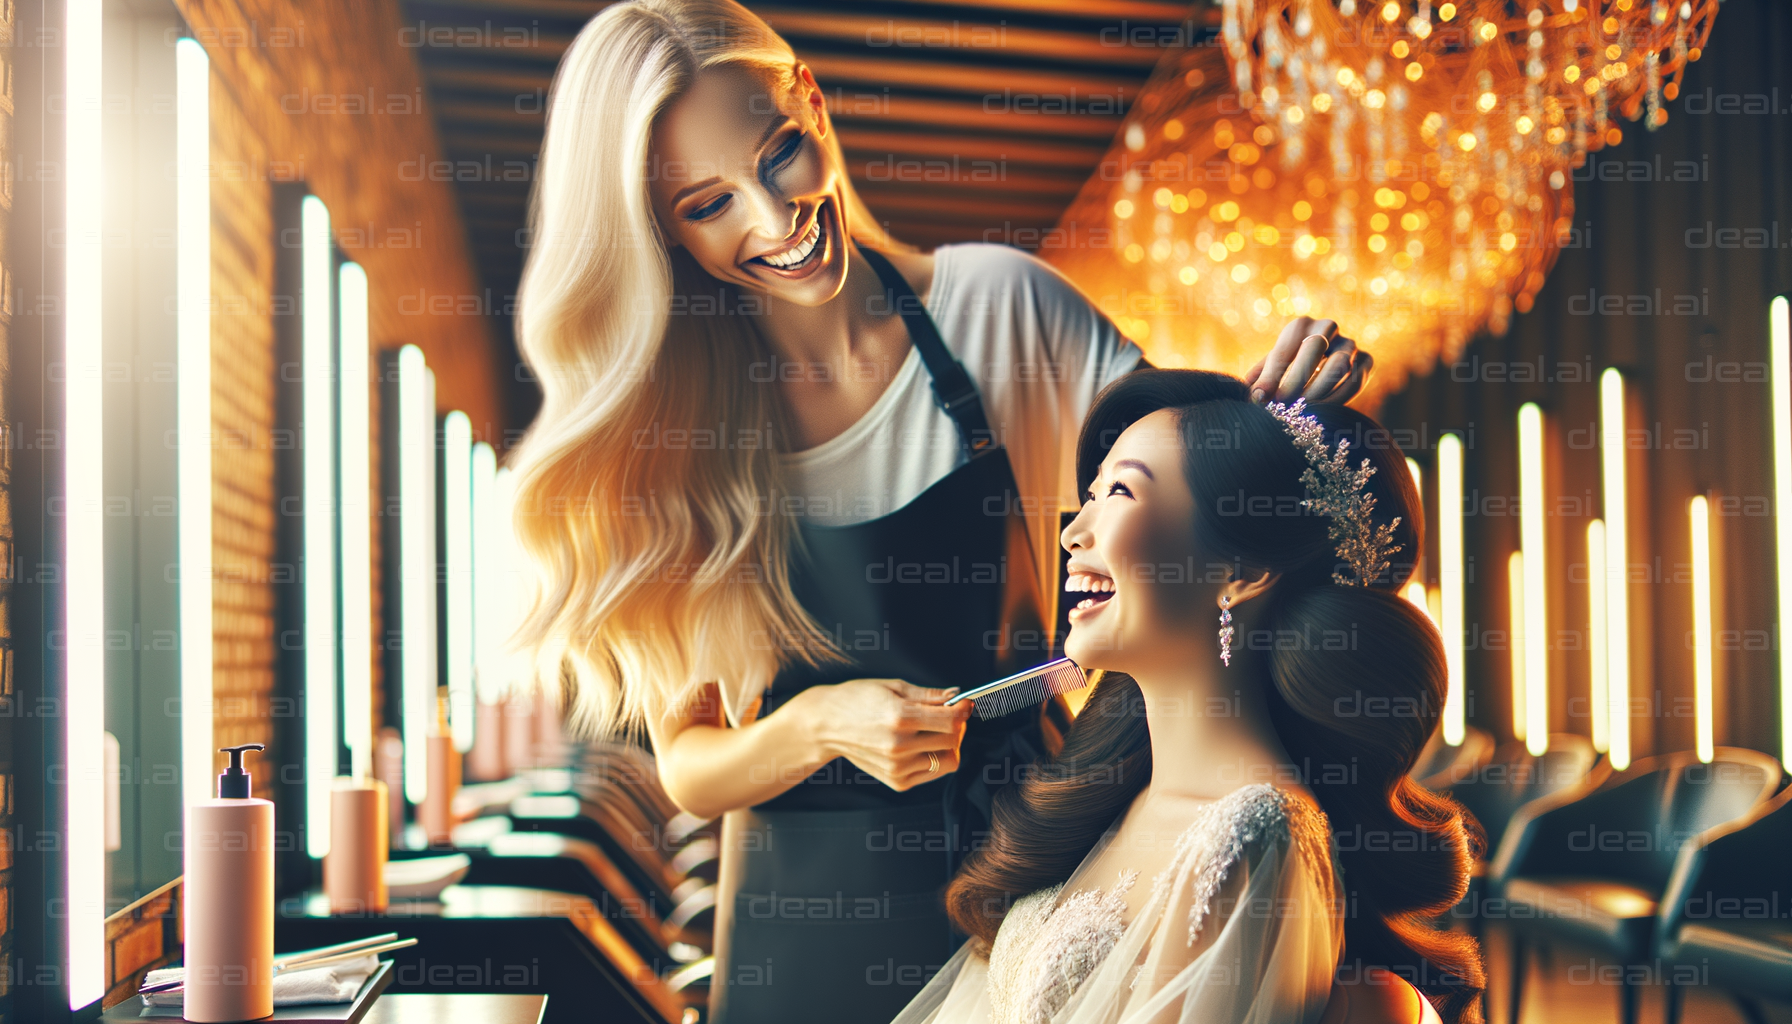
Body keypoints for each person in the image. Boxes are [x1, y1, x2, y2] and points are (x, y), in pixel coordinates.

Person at [504, 1, 1372, 1019]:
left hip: (1029, 891)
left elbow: (1179, 494)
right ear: (659, 232)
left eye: (778, 153)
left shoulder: (1002, 310)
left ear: (812, 105)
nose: (772, 219)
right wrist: (821, 724)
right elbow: (690, 764)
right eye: (707, 205)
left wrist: (1277, 407)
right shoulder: (678, 435)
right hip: (799, 935)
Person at [892, 370, 1485, 1024]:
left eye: (1120, 491)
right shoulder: (1121, 795)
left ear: (1242, 572)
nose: (1073, 531)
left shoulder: (1252, 831)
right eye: (1089, 495)